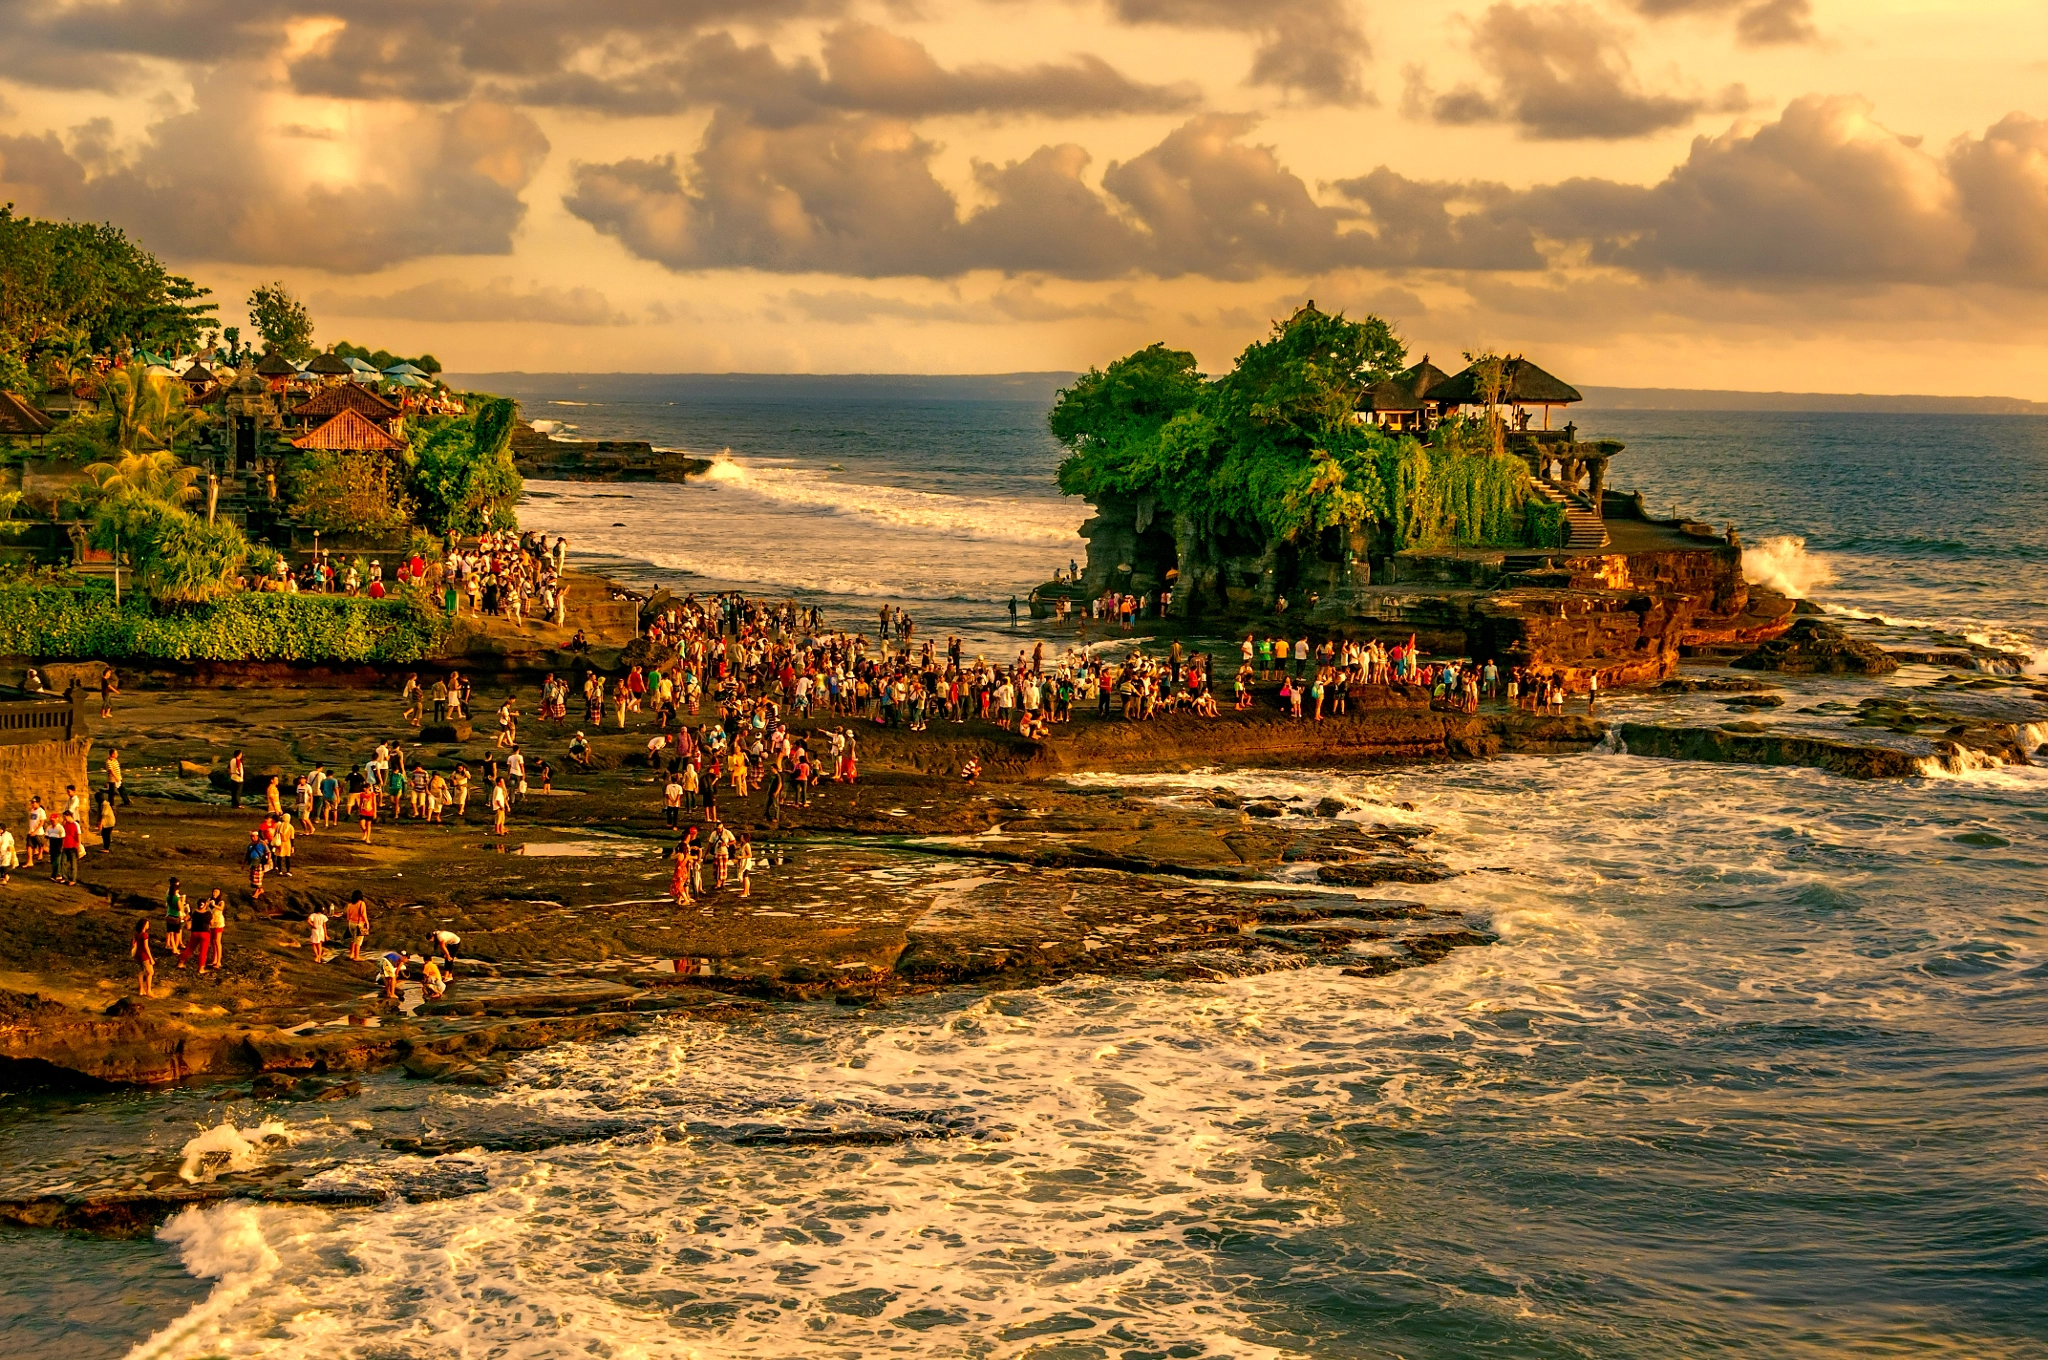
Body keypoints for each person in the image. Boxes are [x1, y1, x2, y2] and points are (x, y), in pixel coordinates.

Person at [130, 917, 154, 997]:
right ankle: (149, 990)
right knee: (150, 972)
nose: (148, 925)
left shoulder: (137, 934)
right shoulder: (144, 935)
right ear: (144, 925)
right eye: (147, 924)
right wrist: (151, 958)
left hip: (138, 955)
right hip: (144, 955)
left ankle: (141, 989)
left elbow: (133, 943)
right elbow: (146, 947)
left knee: (141, 971)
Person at [345, 891, 370, 961]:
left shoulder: (350, 905)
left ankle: (351, 954)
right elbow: (363, 914)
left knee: (353, 939)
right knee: (358, 941)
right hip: (358, 924)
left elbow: (348, 916)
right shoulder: (361, 904)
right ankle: (356, 956)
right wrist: (367, 923)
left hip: (350, 923)